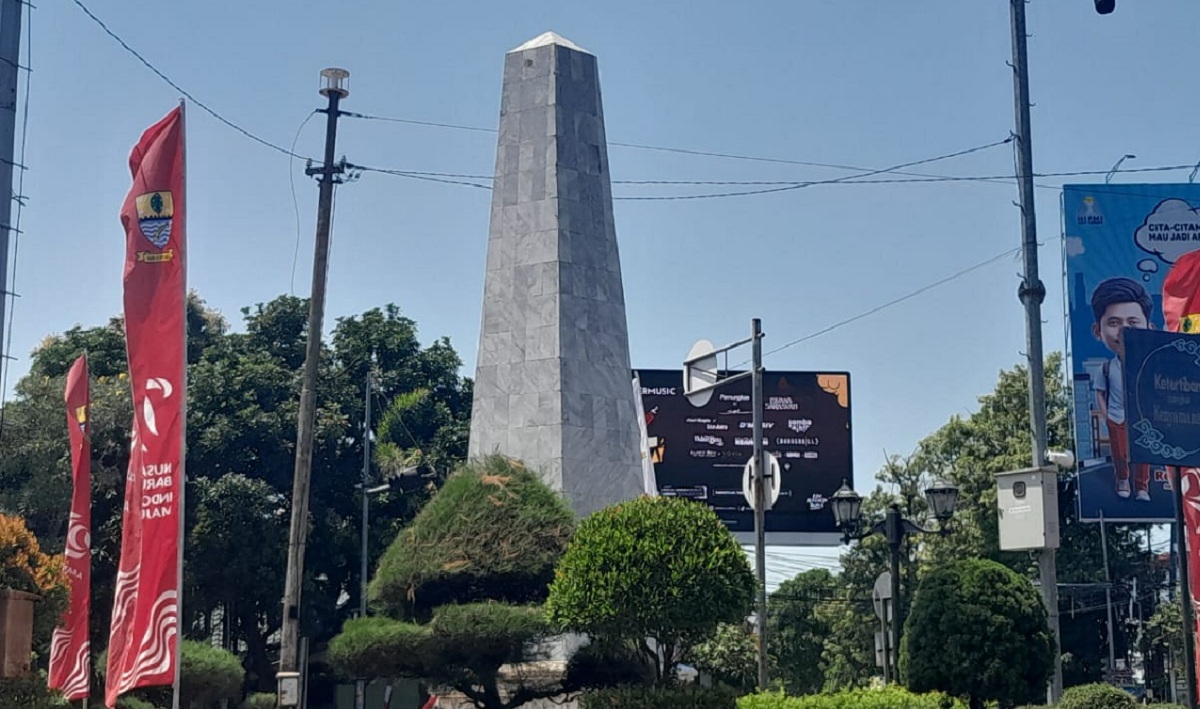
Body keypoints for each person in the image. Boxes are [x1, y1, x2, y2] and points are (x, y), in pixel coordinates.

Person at [1091, 277, 1154, 501]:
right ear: (1098, 331)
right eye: (1114, 323)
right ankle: (1122, 480)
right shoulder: (1107, 367)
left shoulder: (1151, 366)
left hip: (1143, 417)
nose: (1124, 331)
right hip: (1117, 417)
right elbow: (1099, 391)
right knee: (1120, 454)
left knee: (1144, 452)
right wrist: (1107, 415)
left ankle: (1143, 487)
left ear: (1149, 328)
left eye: (1133, 322)